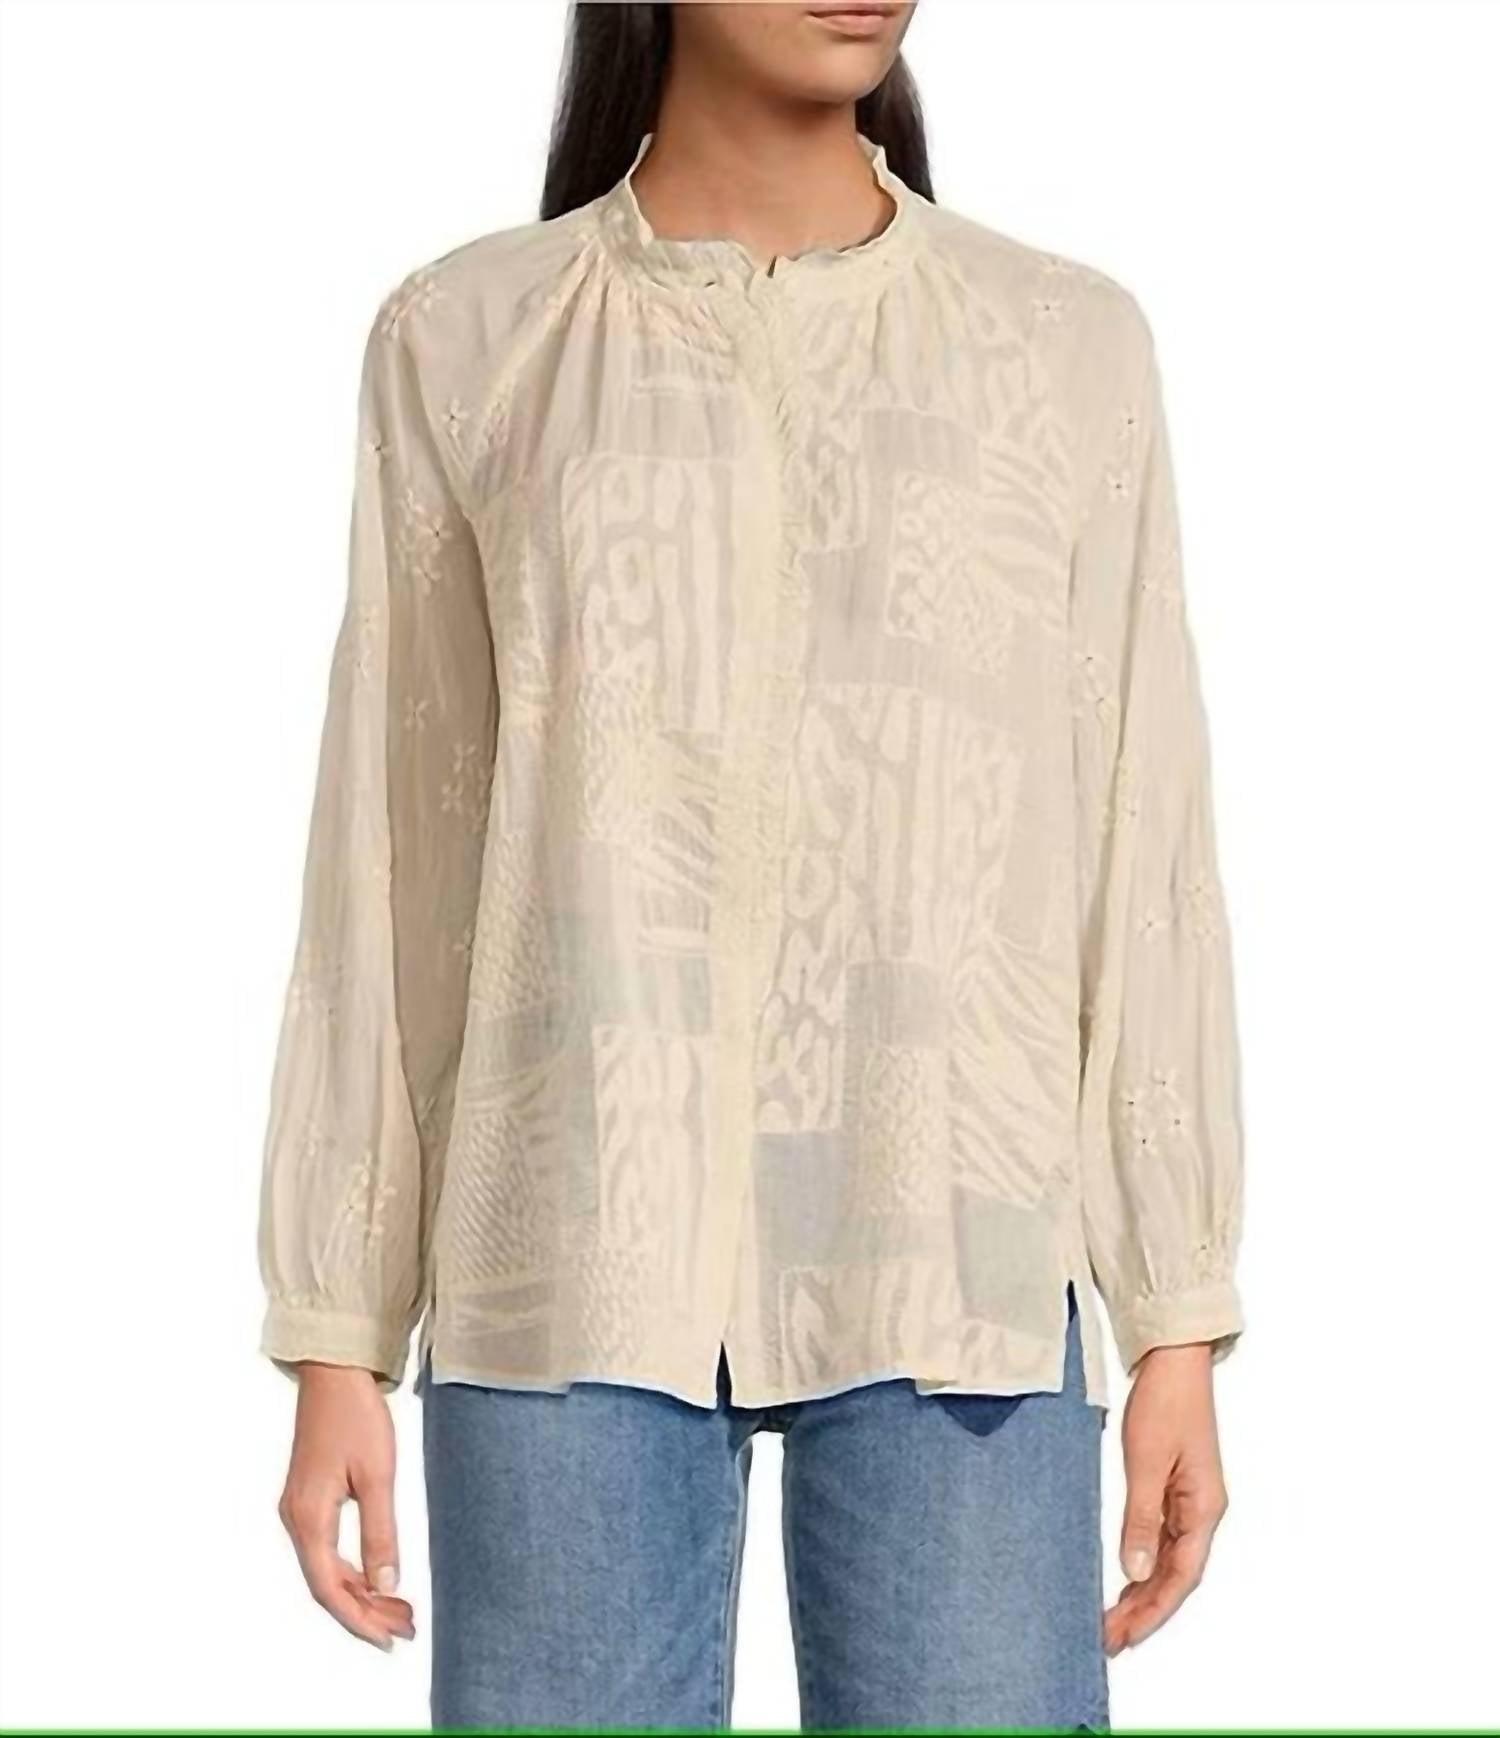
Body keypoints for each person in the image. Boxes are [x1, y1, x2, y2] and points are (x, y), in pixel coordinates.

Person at [257, 2, 1245, 1729]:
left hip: (955, 1245)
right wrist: (338, 1318)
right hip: (567, 1244)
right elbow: (394, 850)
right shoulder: (472, 337)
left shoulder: (1061, 346)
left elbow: (1138, 824)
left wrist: (1177, 1303)